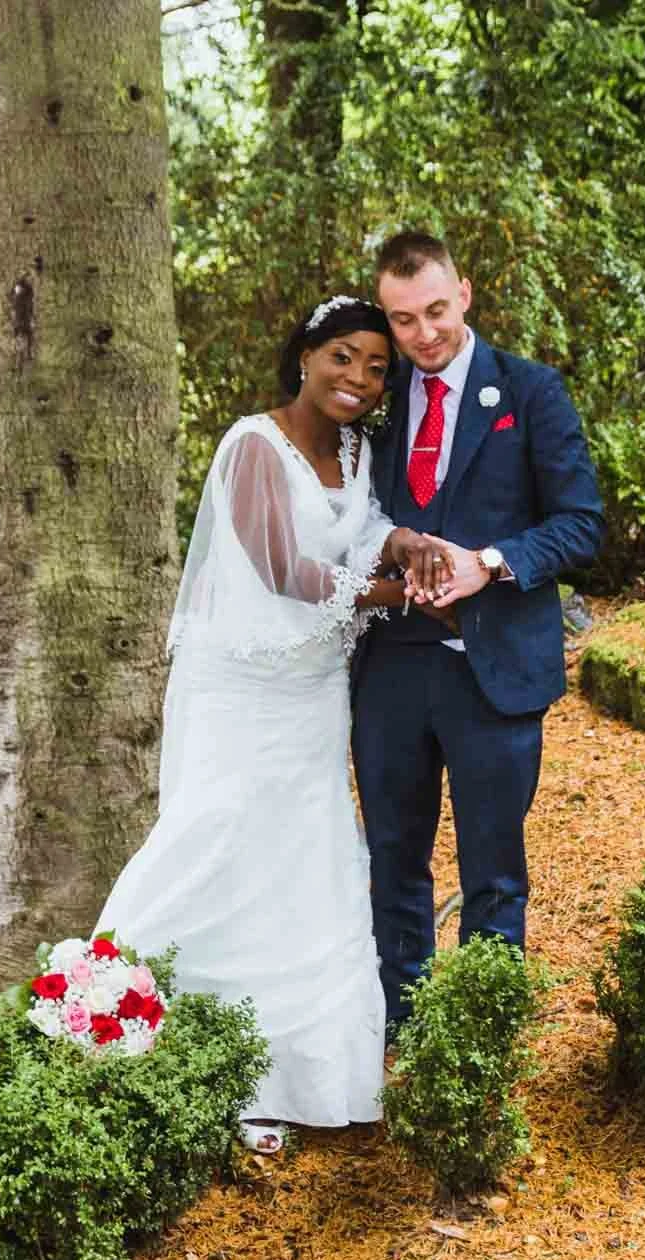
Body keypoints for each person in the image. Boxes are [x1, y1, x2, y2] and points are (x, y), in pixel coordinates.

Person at [93, 296, 442, 1155]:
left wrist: (402, 544)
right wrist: (404, 593)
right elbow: (285, 568)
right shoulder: (253, 444)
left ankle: (295, 1076)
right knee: (212, 842)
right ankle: (101, 1016)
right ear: (305, 357)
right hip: (241, 689)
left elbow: (360, 531)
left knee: (304, 859)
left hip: (314, 692)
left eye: (375, 367)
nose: (358, 379)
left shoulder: (360, 451)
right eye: (343, 358)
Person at [354, 231, 605, 1036]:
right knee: (393, 856)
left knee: (494, 866)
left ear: (463, 291)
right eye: (402, 320)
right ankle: (404, 1027)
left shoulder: (531, 392)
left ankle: (480, 1040)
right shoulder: (378, 408)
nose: (423, 334)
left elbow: (580, 525)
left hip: (492, 666)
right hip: (391, 666)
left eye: (433, 309)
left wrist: (488, 563)